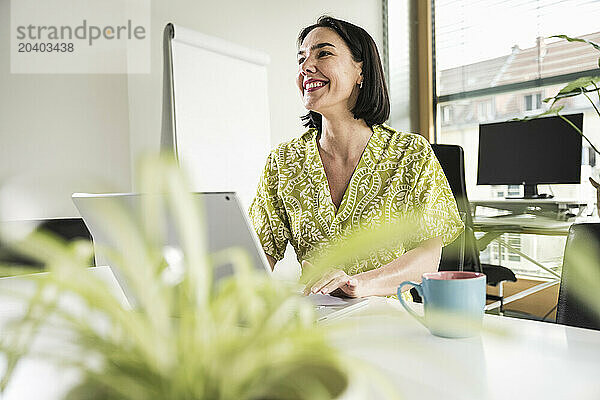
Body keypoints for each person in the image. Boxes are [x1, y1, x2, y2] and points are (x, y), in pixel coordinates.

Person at [249, 16, 463, 298]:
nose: (306, 67)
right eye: (301, 59)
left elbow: (426, 258)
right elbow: (256, 255)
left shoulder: (410, 154)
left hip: (386, 321)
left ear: (360, 71)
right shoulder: (284, 162)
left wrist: (359, 284)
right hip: (314, 319)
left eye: (323, 53)